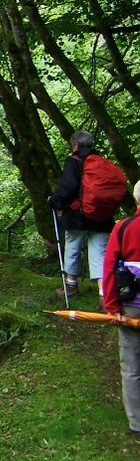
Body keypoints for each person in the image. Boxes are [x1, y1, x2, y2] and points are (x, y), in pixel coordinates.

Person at [50, 130, 116, 300]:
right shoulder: (103, 162)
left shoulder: (73, 161)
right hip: (103, 217)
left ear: (76, 145)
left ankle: (71, 287)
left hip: (78, 216)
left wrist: (55, 202)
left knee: (72, 248)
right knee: (99, 254)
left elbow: (68, 187)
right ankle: (103, 295)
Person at [102, 180, 140, 436]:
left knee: (132, 366)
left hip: (131, 306)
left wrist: (112, 307)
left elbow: (109, 268)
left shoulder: (123, 227)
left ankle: (137, 423)